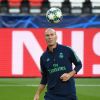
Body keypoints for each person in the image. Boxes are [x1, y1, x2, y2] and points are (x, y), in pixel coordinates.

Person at [34, 28, 82, 100]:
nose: (50, 37)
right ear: (45, 38)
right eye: (47, 35)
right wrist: (37, 94)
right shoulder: (43, 57)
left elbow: (79, 64)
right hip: (51, 95)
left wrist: (69, 75)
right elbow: (44, 78)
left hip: (68, 94)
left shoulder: (67, 50)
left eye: (52, 35)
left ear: (56, 36)